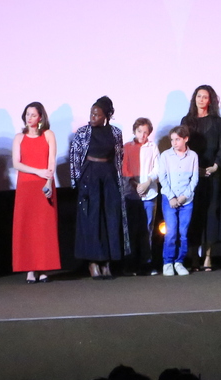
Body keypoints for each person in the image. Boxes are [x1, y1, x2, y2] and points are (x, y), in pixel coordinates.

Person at [69, 96, 128, 278]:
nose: (92, 117)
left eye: (96, 114)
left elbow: (119, 157)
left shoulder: (116, 133)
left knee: (110, 218)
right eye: (91, 114)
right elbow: (74, 158)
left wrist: (119, 181)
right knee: (92, 219)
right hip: (90, 176)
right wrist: (77, 181)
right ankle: (93, 262)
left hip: (109, 176)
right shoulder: (83, 132)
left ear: (106, 116)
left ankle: (107, 262)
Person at [11, 101, 60, 283]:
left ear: (40, 117)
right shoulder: (19, 137)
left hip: (44, 186)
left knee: (44, 229)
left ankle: (44, 267)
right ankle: (30, 270)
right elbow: (16, 163)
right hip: (26, 187)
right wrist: (37, 171)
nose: (29, 118)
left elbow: (51, 161)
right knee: (27, 228)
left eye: (33, 115)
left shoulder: (48, 134)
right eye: (27, 114)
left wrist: (48, 181)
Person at [183, 85, 221, 271]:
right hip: (193, 175)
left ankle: (208, 256)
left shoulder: (217, 121)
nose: (201, 100)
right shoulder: (187, 120)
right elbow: (183, 148)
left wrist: (216, 166)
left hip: (213, 174)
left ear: (211, 100)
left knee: (211, 213)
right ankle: (193, 256)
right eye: (199, 96)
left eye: (205, 97)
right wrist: (196, 169)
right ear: (195, 98)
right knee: (194, 214)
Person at [156, 125, 197, 275]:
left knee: (183, 233)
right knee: (171, 232)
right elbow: (163, 178)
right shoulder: (166, 156)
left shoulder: (193, 156)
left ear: (185, 139)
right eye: (172, 140)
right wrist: (172, 197)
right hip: (169, 200)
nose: (174, 143)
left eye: (177, 140)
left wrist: (184, 196)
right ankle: (167, 262)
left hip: (186, 201)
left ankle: (179, 262)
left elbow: (194, 179)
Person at [122, 117, 160, 275]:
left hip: (149, 194)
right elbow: (125, 169)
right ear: (134, 131)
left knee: (147, 229)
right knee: (132, 230)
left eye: (145, 132)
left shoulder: (153, 147)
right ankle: (132, 264)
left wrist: (147, 182)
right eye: (139, 131)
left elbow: (158, 167)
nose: (142, 135)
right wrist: (136, 185)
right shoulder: (127, 147)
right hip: (132, 194)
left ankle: (146, 263)